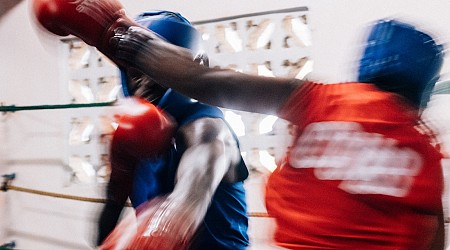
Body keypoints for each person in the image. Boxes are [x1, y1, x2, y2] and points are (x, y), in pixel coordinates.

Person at [110, 18, 446, 249]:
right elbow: (432, 240)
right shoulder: (424, 151)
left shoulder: (321, 100)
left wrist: (110, 30)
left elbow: (208, 82)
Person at [97, 11, 249, 250]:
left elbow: (190, 194)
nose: (143, 83)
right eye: (135, 72)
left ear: (185, 69)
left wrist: (159, 227)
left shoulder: (209, 130)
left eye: (156, 70)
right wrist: (116, 185)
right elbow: (105, 226)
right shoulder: (133, 134)